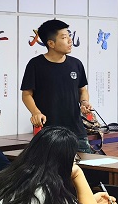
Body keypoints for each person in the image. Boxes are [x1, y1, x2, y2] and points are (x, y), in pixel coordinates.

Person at [21, 19, 94, 153]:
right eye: (64, 37)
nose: (70, 41)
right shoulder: (35, 64)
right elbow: (26, 94)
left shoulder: (76, 64)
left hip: (77, 132)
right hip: (49, 134)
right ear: (51, 43)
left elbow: (82, 90)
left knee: (85, 166)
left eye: (69, 36)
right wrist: (36, 112)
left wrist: (84, 102)